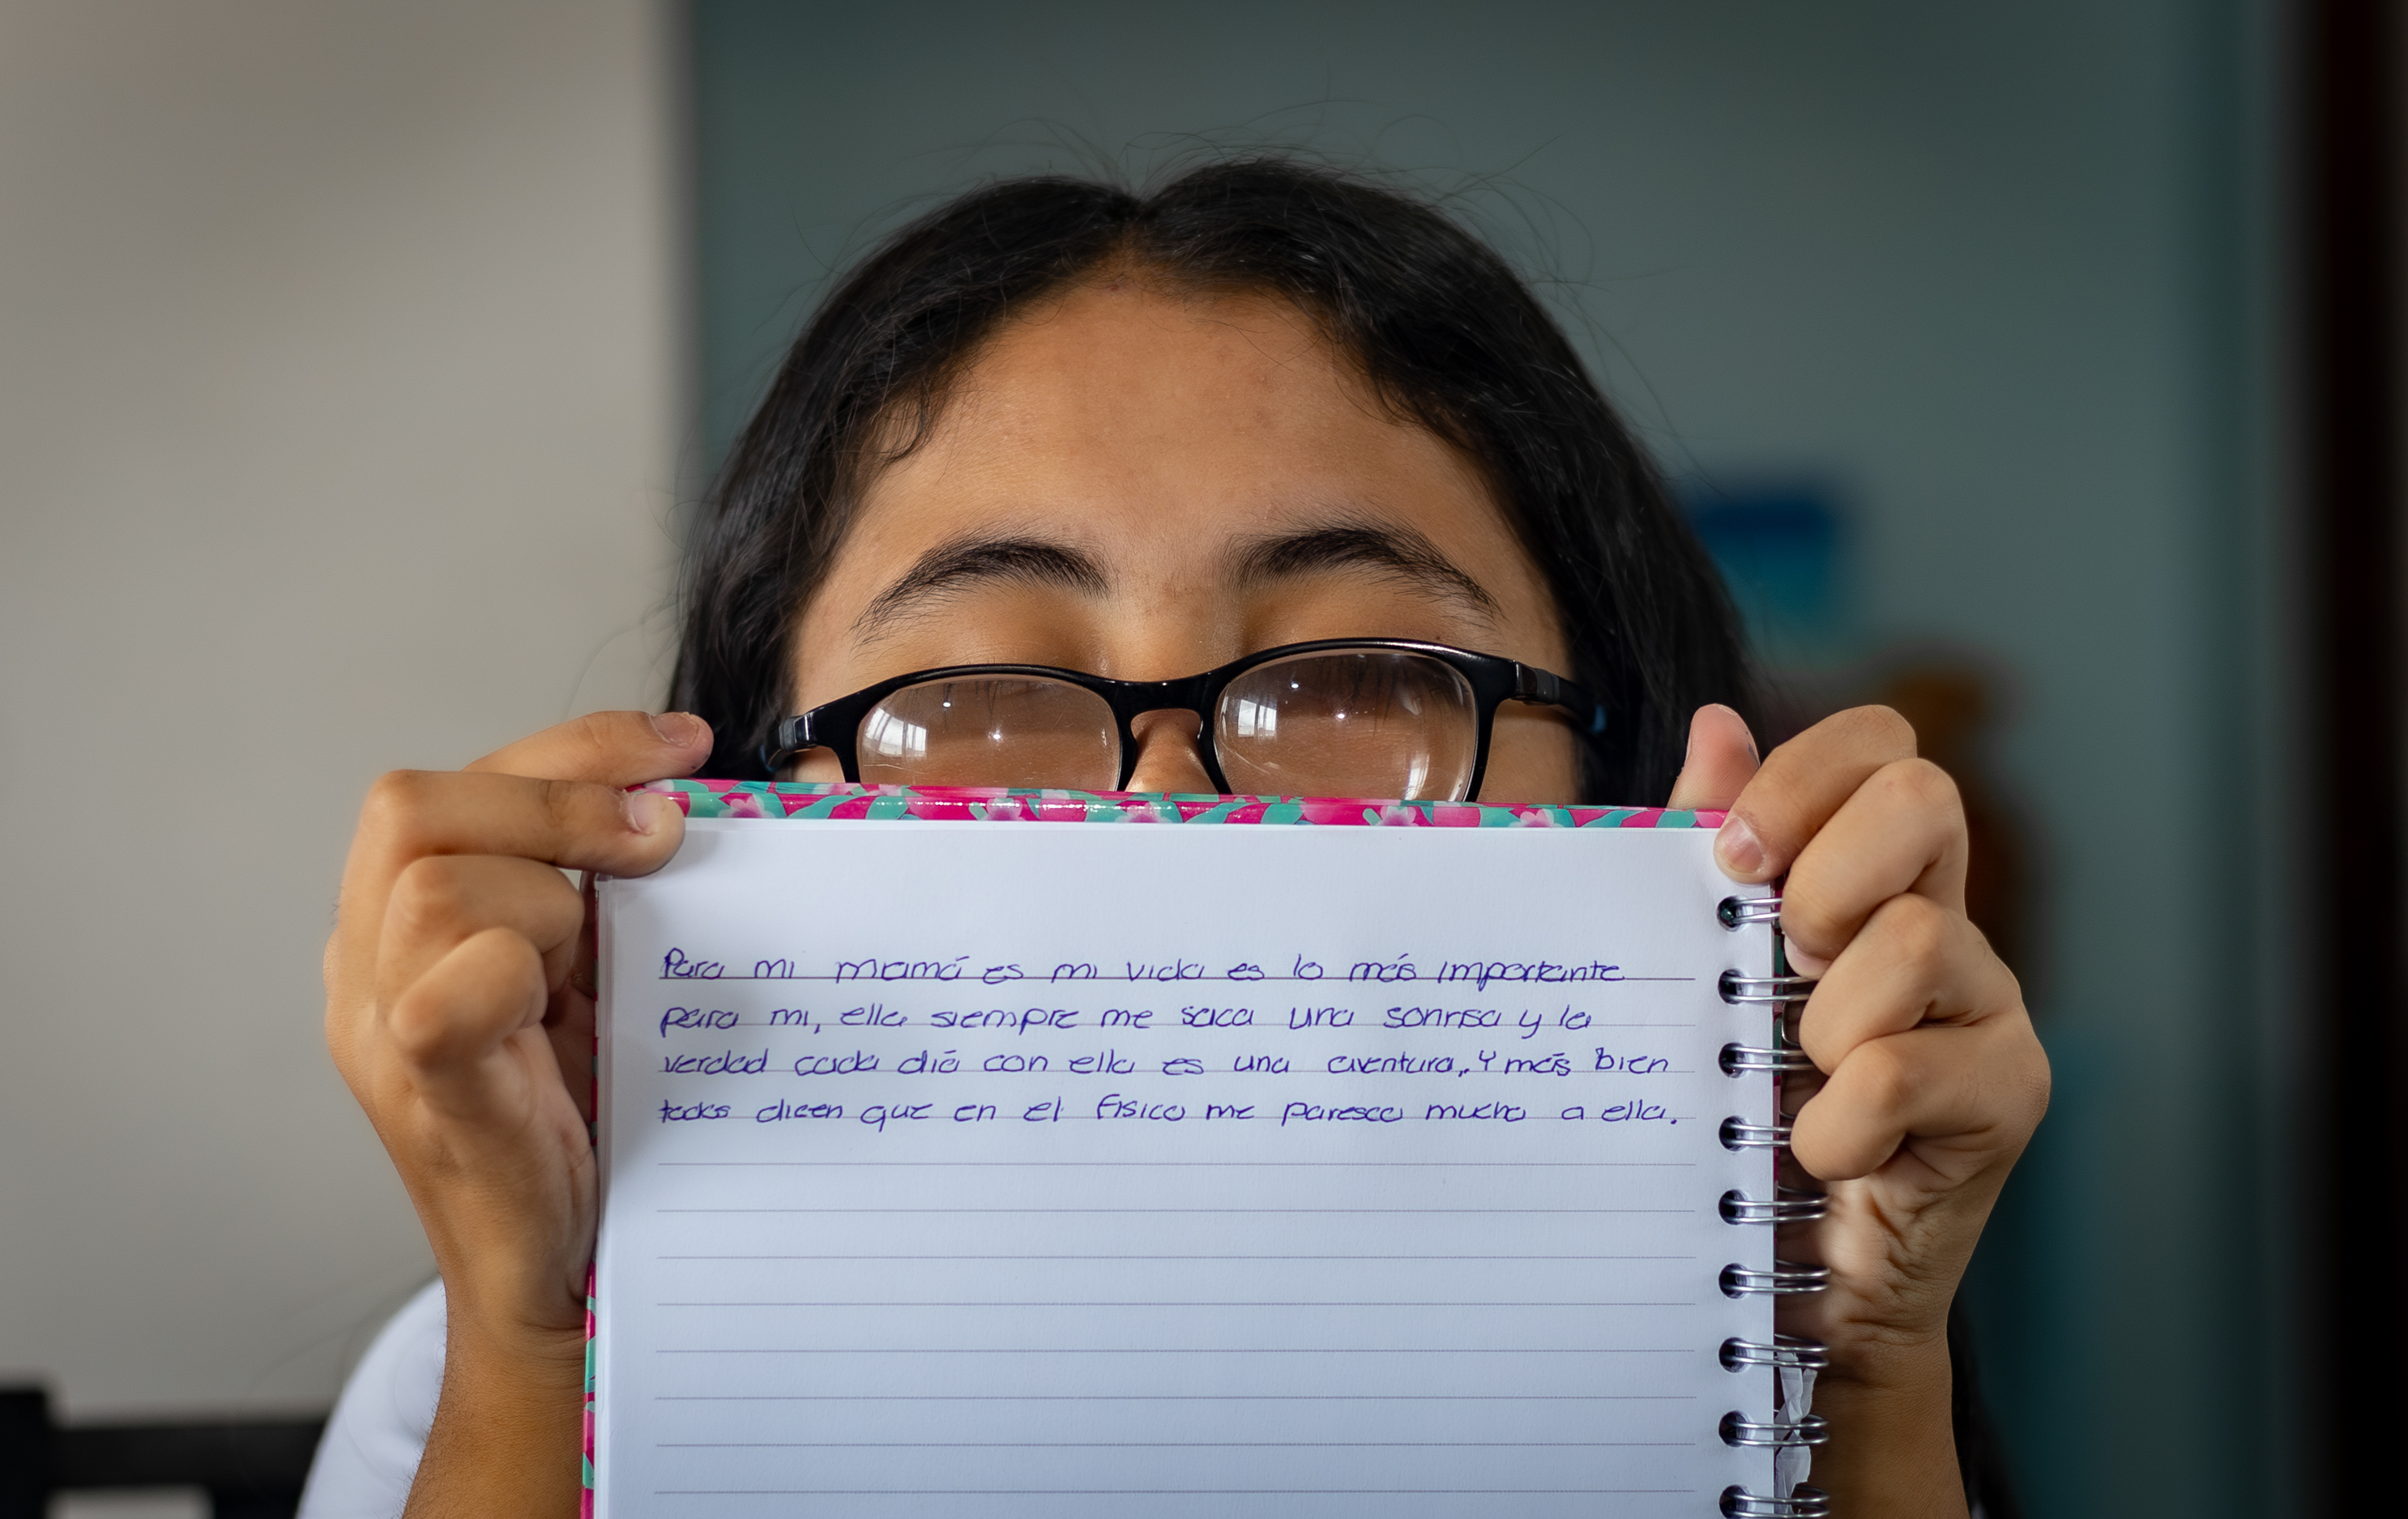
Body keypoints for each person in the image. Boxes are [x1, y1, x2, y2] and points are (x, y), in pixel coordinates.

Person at [310, 157, 2049, 1518]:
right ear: (734, 803)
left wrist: (1856, 1364)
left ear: (1626, 763)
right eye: (976, 698)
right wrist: (534, 1343)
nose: (1159, 813)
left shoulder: (1760, 1343)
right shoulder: (479, 1377)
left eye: (1366, 672)